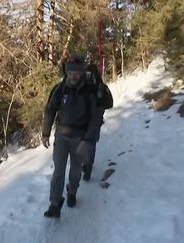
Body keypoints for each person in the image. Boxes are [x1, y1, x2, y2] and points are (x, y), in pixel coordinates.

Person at [41, 54, 104, 218]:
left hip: (80, 138)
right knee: (58, 171)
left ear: (82, 73)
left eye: (76, 73)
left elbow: (95, 118)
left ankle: (72, 191)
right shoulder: (59, 89)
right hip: (61, 136)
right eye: (70, 73)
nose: (73, 76)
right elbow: (50, 110)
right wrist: (45, 133)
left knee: (76, 170)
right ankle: (55, 204)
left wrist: (87, 140)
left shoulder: (89, 91)